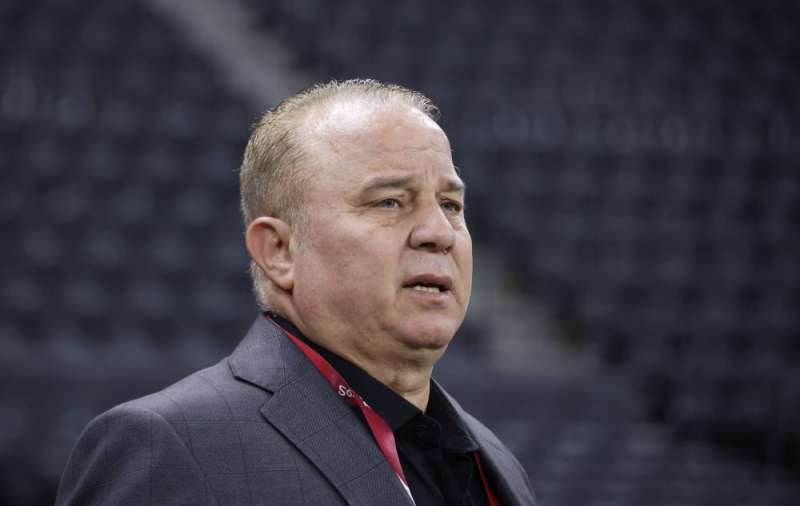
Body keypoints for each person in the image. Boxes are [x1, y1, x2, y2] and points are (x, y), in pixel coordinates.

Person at [56, 79, 536, 506]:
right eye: (390, 202)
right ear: (280, 250)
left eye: (450, 204)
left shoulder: (496, 461)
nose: (439, 232)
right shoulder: (169, 448)